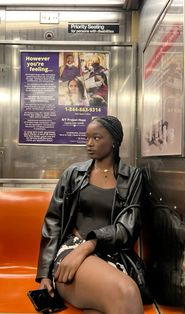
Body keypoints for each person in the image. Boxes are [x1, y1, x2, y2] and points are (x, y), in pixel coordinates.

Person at [36, 115, 144, 314]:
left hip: (112, 254)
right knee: (127, 292)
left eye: (96, 138)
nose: (89, 144)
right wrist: (44, 274)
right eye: (87, 138)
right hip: (72, 252)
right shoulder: (73, 174)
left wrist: (90, 245)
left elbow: (128, 227)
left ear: (114, 141)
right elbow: (53, 222)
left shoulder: (133, 176)